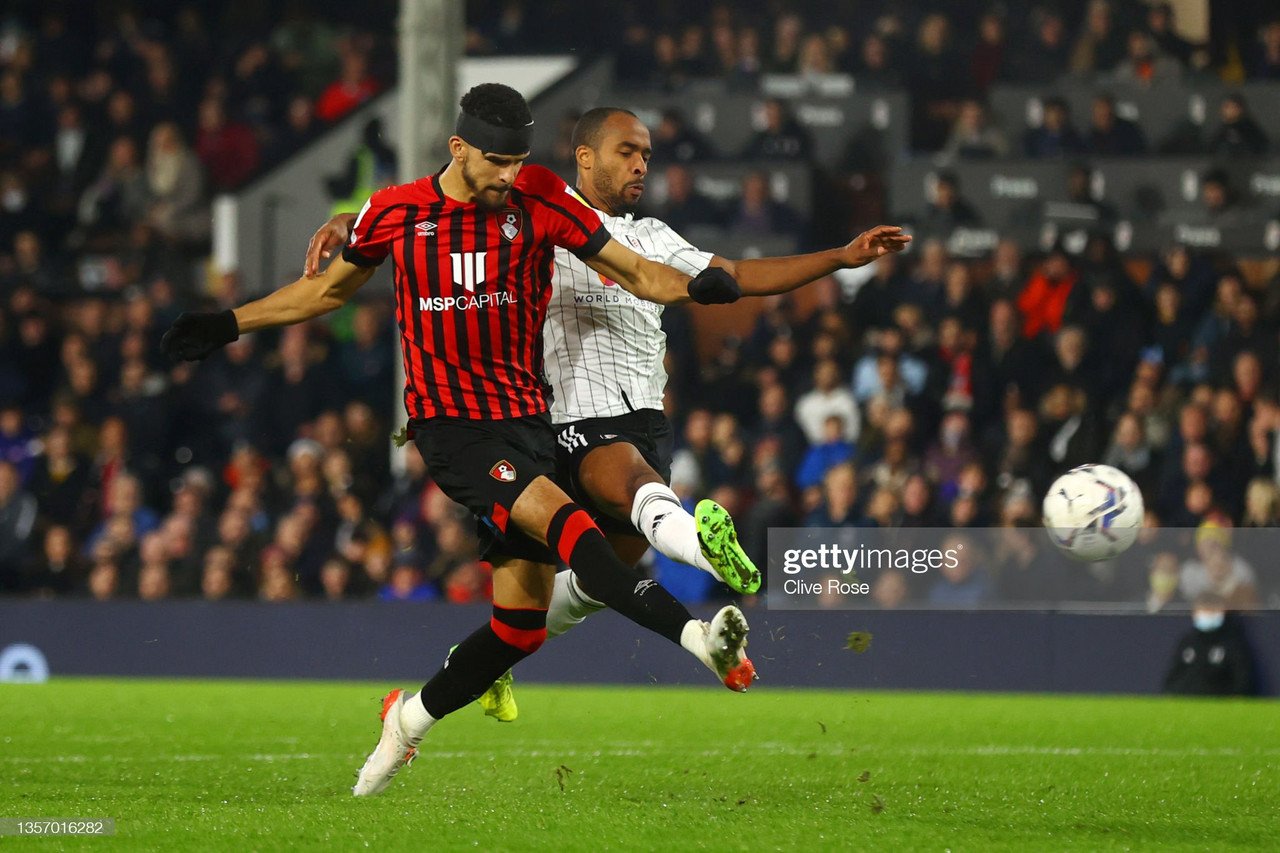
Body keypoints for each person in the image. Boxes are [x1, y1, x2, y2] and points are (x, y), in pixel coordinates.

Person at [162, 84, 753, 799]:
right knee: (579, 537)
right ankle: (701, 642)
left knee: (520, 628)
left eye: (518, 161)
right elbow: (322, 293)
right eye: (496, 161)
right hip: (453, 429)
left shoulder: (537, 196)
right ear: (458, 148)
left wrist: (700, 286)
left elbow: (632, 267)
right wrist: (228, 324)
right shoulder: (397, 212)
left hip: (527, 424)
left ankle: (403, 722)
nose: (508, 176)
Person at [307, 106, 910, 719]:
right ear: (585, 156)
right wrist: (351, 221)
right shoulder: (536, 213)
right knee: (636, 496)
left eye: (647, 153)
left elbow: (739, 274)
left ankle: (492, 659)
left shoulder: (654, 237)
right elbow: (441, 208)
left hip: (647, 421)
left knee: (595, 585)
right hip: (568, 425)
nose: (641, 163)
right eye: (627, 151)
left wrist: (838, 256)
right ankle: (705, 550)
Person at [1161, 593, 1255, 696]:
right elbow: (1173, 676)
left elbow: (1243, 681)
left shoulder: (1232, 643)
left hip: (1219, 705)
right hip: (1185, 705)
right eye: (1204, 610)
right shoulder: (1187, 642)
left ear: (1223, 612)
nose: (1207, 614)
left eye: (1212, 610)